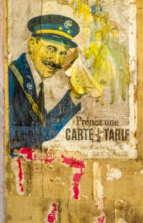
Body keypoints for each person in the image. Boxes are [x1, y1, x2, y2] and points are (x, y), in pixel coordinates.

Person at [8, 13, 93, 152]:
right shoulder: (11, 77)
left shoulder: (33, 78)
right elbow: (8, 134)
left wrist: (74, 95)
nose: (57, 61)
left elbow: (44, 130)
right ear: (32, 44)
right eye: (51, 49)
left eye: (62, 53)